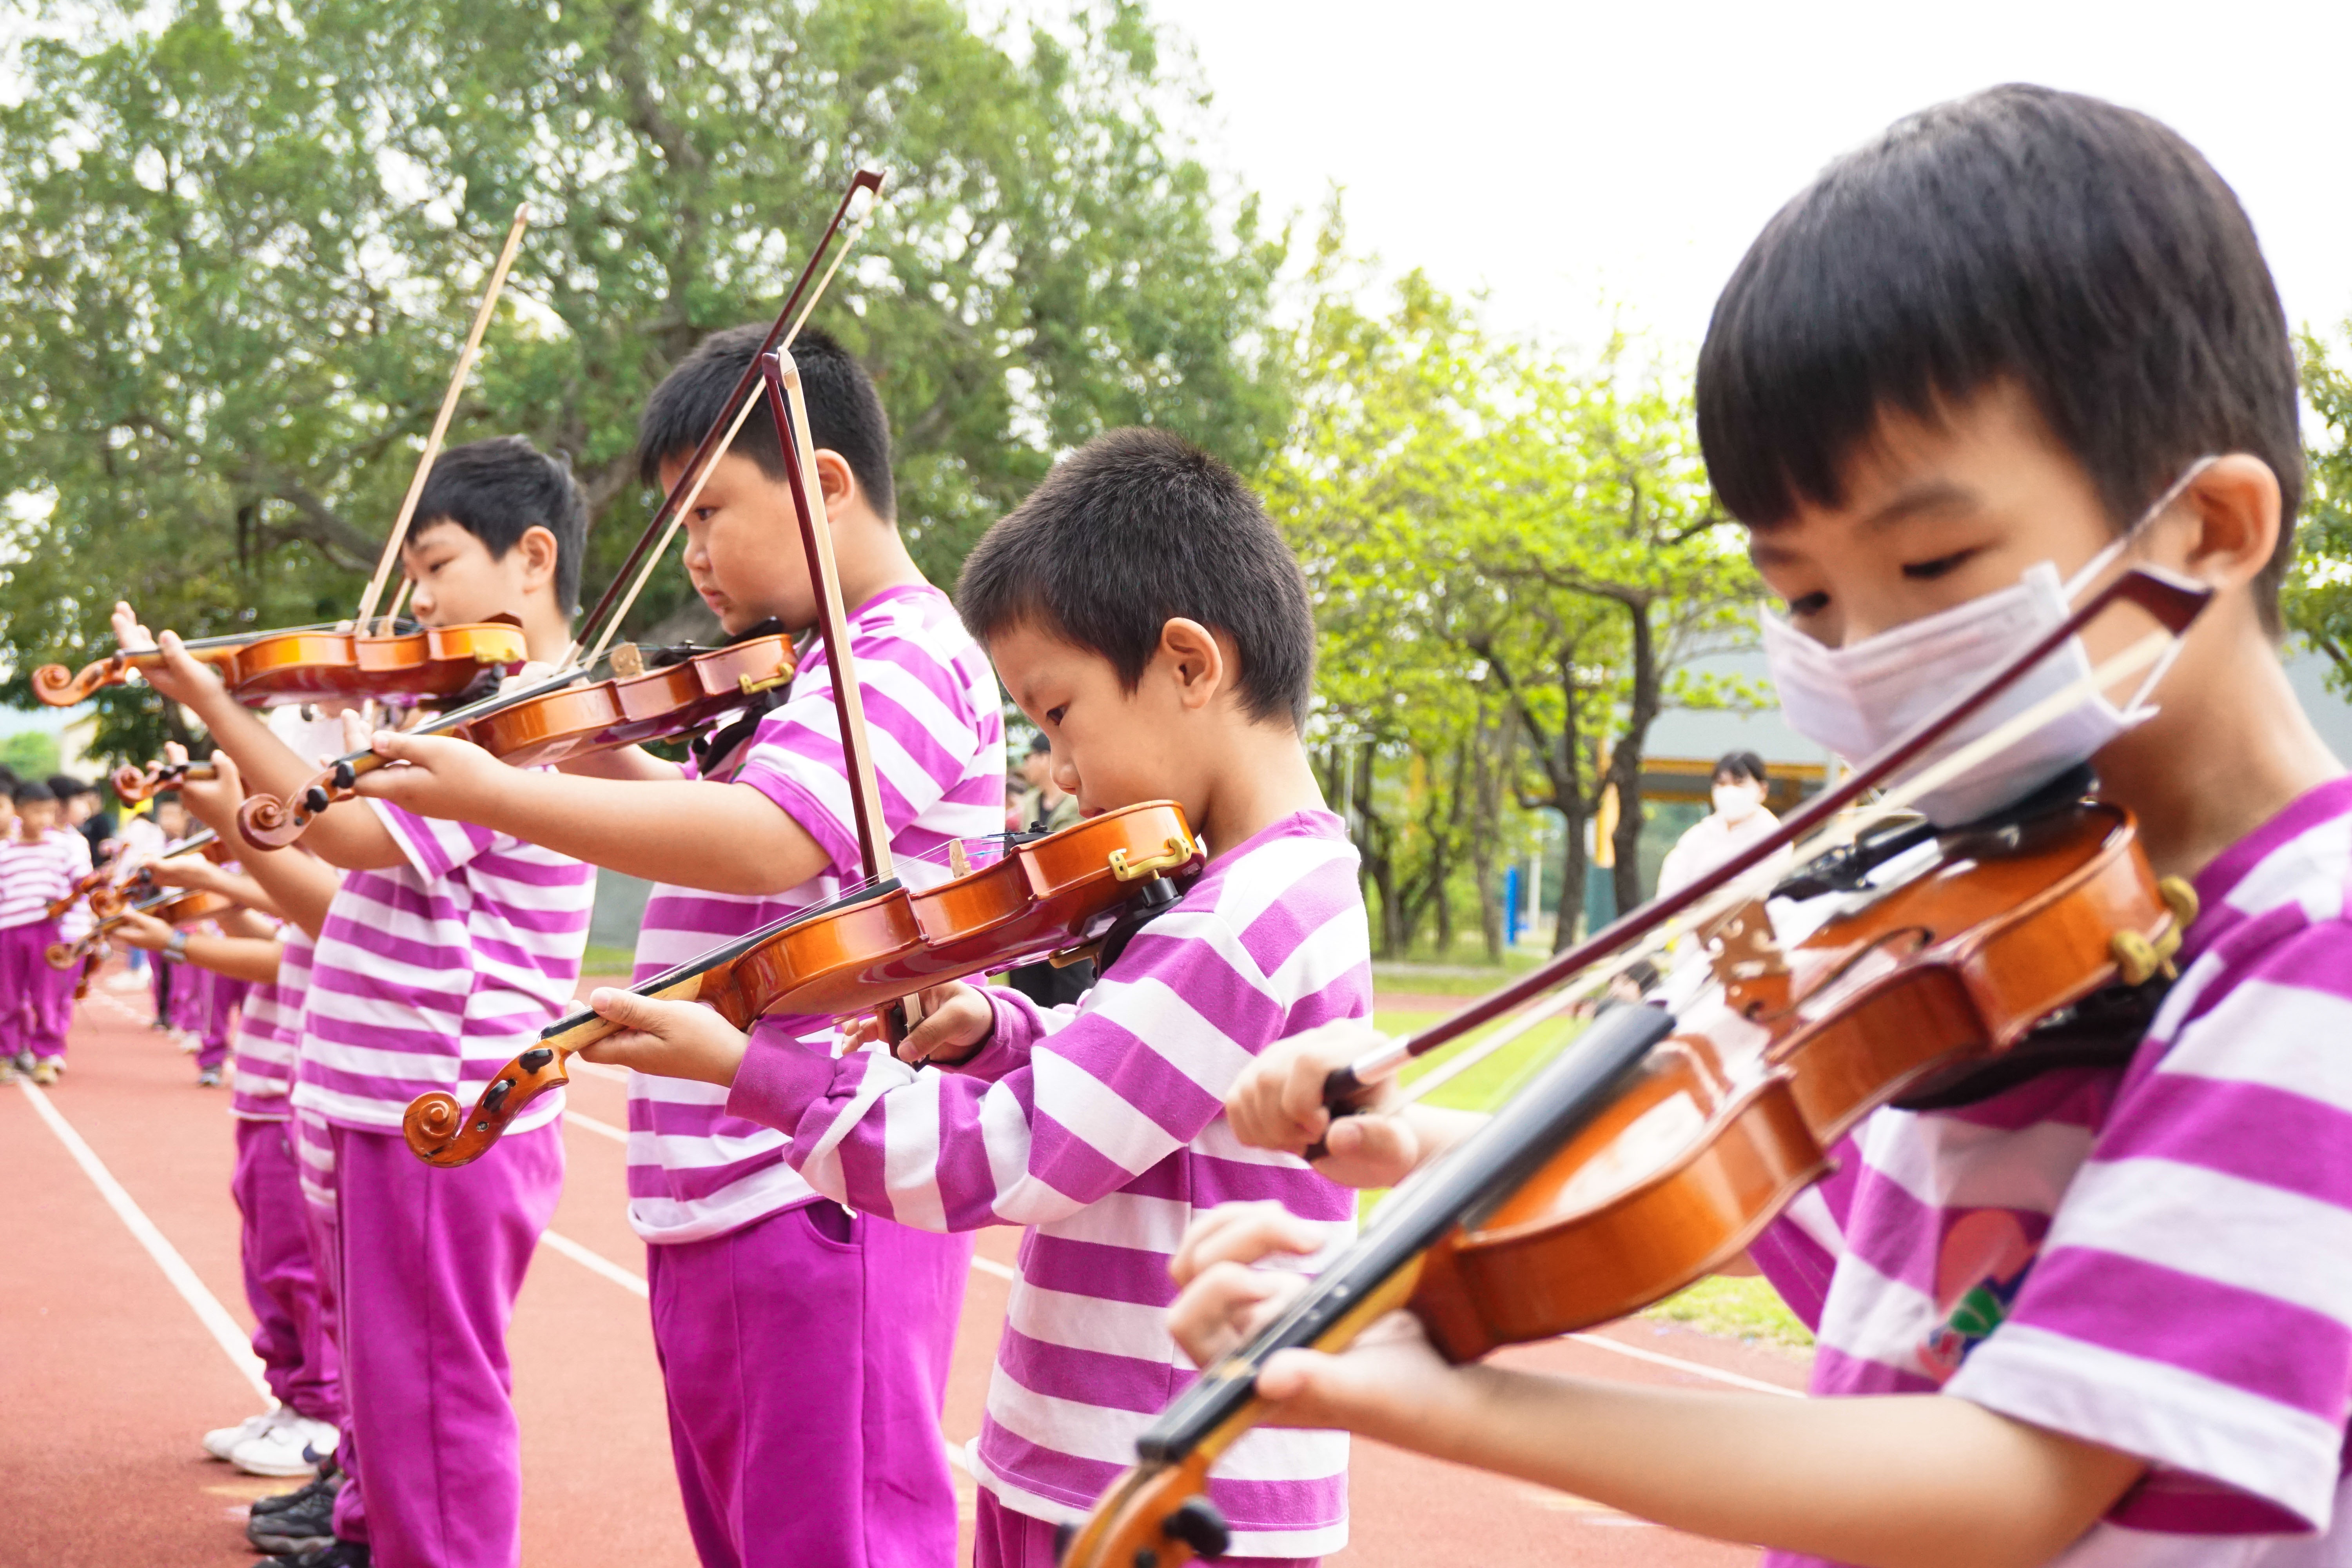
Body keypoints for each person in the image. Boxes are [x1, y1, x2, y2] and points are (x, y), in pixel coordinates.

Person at [1170, 85, 2352, 1568]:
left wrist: (1459, 1400)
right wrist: (1434, 1150)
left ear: (2205, 530)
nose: (1859, 653)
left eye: (1932, 561)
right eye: (1802, 594)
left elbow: (2014, 1476)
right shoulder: (2003, 919)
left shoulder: (2310, 954)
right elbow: (1773, 1173)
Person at [575, 428, 1370, 1568]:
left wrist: (750, 1069)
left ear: (1190, 666)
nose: (1059, 772)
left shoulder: (1246, 917)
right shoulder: (1245, 894)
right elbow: (1147, 1085)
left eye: (1059, 715)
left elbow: (1014, 1154)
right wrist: (1007, 1027)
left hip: (1161, 1491)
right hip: (1105, 1462)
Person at [347, 327, 998, 1568]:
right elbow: (719, 819)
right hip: (734, 1187)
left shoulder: (905, 654)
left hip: (821, 1190)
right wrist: (591, 744)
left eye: (709, 512)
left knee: (834, 1542)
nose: (691, 553)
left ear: (824, 485)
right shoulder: (815, 668)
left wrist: (494, 790)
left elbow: (767, 839)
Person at [117, 434, 597, 1568]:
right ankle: (372, 1532)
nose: (416, 602)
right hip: (390, 1098)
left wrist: (217, 702)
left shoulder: (524, 722)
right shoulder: (467, 710)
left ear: (532, 559)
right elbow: (344, 898)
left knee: (434, 1390)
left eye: (437, 567)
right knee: (392, 1381)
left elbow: (345, 833)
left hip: (443, 1107)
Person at [108, 770, 344, 1479]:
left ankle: (321, 1412)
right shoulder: (300, 876)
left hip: (294, 1093)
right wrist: (202, 909)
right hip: (265, 1091)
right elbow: (271, 945)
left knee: (298, 1266)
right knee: (268, 1260)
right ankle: (294, 1398)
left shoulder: (337, 876)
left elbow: (287, 948)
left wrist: (194, 918)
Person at [0, 778, 90, 1085]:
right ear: (20, 812)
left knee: (47, 996)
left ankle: (47, 1055)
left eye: (49, 812)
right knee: (8, 997)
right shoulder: (5, 851)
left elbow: (81, 881)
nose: (44, 819)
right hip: (9, 932)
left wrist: (97, 885)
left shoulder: (62, 848)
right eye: (37, 812)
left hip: (47, 932)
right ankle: (7, 1052)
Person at [1654, 749, 1792, 898]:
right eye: (1722, 784)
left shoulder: (1774, 837)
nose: (1729, 791)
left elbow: (1757, 893)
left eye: (1739, 783)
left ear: (1763, 790)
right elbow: (1670, 889)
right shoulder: (1698, 835)